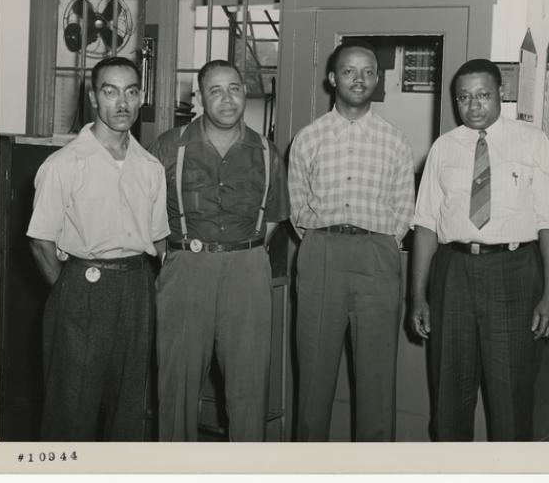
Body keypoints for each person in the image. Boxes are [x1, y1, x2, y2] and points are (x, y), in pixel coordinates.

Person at [409, 58, 549, 441]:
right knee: (449, 397)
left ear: (501, 94)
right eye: (464, 97)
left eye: (483, 95)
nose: (474, 105)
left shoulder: (532, 142)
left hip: (513, 272)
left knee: (511, 400)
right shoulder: (443, 149)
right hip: (453, 273)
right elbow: (426, 224)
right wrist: (417, 295)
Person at [27, 56, 169, 441]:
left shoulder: (150, 167)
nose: (121, 103)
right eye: (110, 91)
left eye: (131, 91)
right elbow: (41, 241)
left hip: (137, 287)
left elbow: (158, 242)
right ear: (94, 97)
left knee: (128, 408)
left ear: (141, 98)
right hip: (82, 285)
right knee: (70, 408)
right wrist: (70, 291)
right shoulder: (64, 164)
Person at [148, 59, 290, 441]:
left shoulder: (265, 151)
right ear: (199, 97)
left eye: (235, 88)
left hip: (247, 270)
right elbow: (147, 212)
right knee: (176, 384)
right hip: (186, 269)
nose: (227, 99)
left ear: (244, 92)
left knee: (248, 386)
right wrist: (173, 255)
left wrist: (244, 249)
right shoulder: (168, 146)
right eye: (216, 90)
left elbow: (274, 216)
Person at [288, 39, 415, 441]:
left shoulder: (394, 140)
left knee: (377, 379)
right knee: (313, 377)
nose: (358, 79)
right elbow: (298, 208)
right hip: (321, 251)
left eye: (367, 72)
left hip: (377, 255)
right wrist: (324, 241)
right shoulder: (308, 138)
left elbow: (403, 209)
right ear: (332, 79)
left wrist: (376, 245)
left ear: (377, 79)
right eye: (348, 71)